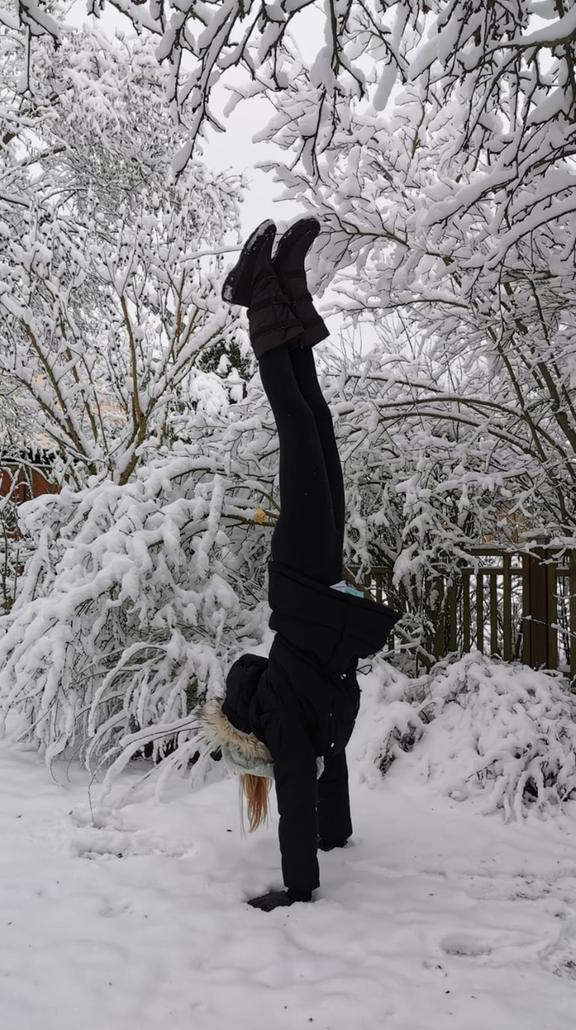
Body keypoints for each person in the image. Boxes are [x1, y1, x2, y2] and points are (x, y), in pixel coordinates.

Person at [216, 217, 400, 911]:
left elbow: (299, 793)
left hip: (303, 583)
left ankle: (255, 292)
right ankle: (286, 288)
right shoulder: (310, 728)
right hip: (321, 588)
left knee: (299, 428)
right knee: (318, 426)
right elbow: (324, 786)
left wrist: (297, 890)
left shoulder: (287, 727)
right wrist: (337, 833)